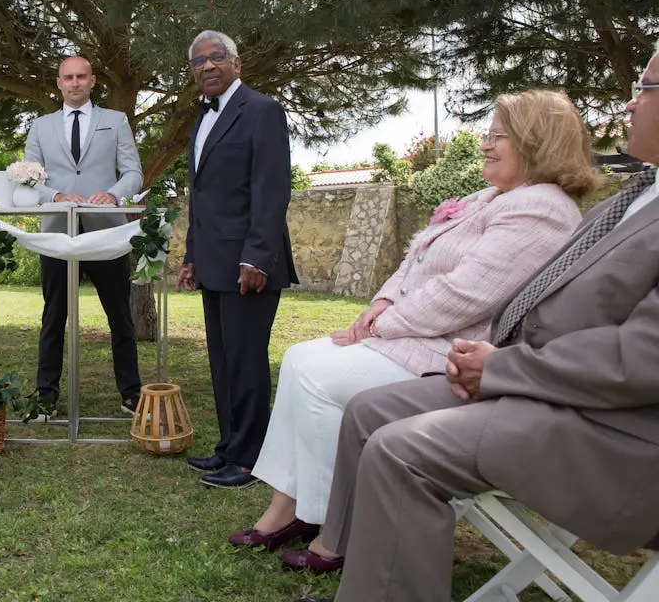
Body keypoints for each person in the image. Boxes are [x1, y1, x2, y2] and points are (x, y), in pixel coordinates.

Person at [293, 47, 659, 602]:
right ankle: (344, 550)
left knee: (398, 450)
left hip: (616, 434)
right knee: (371, 410)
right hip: (557, 393)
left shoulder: (548, 206)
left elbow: (641, 360)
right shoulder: (641, 195)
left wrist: (505, 368)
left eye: (647, 87)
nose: (629, 104)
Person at [231, 90, 599, 557]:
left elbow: (466, 294)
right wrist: (382, 300)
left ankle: (331, 525)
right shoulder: (493, 197)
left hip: (451, 352)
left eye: (498, 136)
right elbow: (417, 256)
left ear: (537, 142)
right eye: (487, 134)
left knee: (316, 377)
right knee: (301, 358)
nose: (485, 144)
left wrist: (382, 326)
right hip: (420, 336)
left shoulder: (541, 209)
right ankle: (291, 507)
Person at [176, 30, 299, 489]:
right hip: (213, 261)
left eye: (216, 57)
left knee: (247, 363)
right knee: (223, 362)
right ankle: (230, 446)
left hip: (250, 264)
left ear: (236, 63)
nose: (207, 66)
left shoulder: (263, 111)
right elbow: (202, 198)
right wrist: (191, 256)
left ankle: (251, 459)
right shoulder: (201, 119)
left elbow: (272, 191)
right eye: (198, 61)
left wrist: (257, 259)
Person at [23, 55, 144, 416]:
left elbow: (133, 172)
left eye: (81, 76)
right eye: (67, 77)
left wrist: (114, 193)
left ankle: (132, 393)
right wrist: (57, 197)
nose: (74, 83)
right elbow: (29, 178)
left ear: (93, 81)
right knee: (53, 316)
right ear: (58, 83)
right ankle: (46, 395)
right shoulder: (41, 126)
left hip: (107, 232)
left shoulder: (115, 120)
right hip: (58, 232)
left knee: (120, 316)